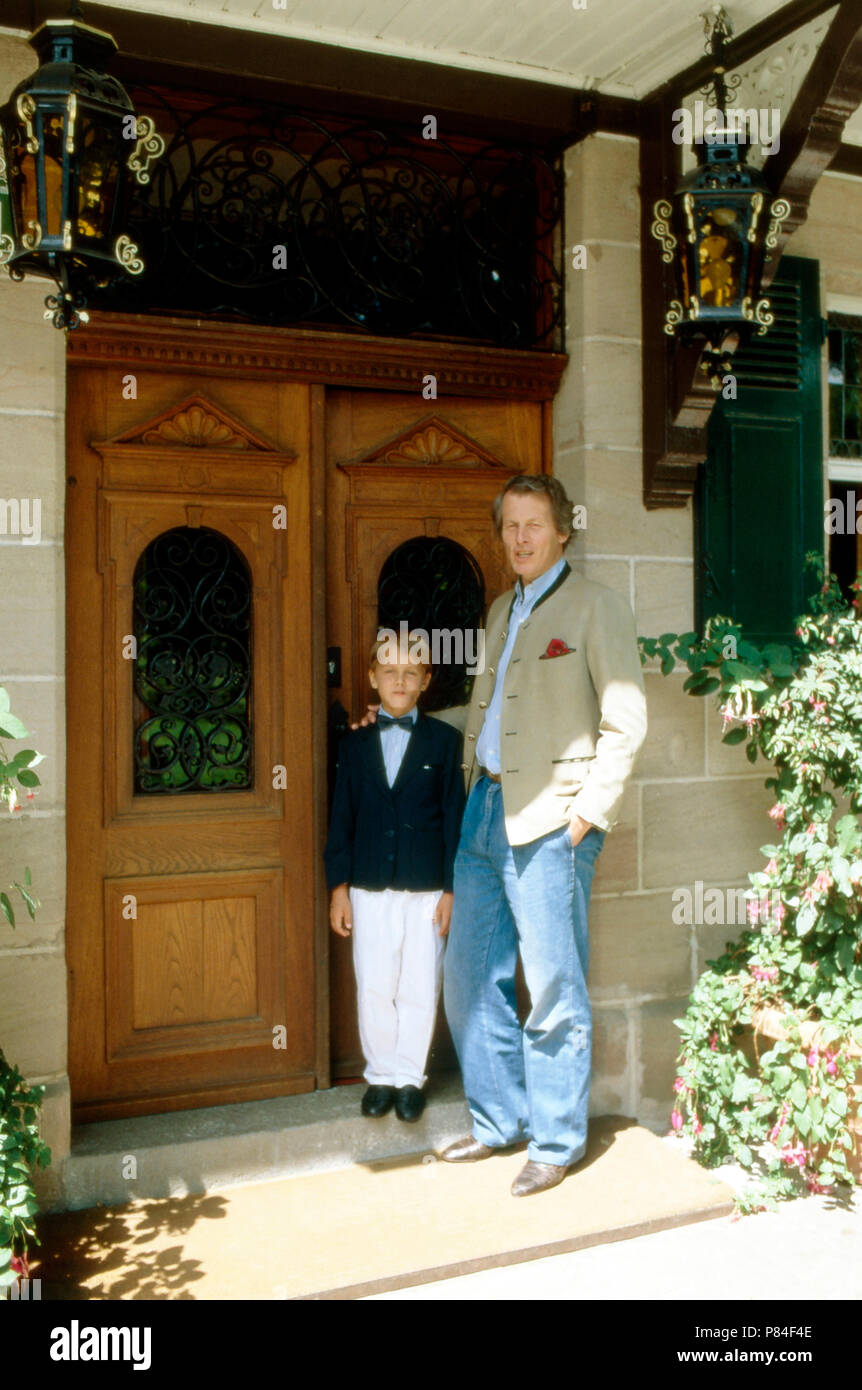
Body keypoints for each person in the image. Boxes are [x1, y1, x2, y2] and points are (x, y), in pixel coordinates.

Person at [440, 474, 647, 1195]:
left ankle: (555, 1142)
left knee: (553, 987)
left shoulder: (596, 607)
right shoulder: (501, 609)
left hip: (552, 822)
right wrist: (390, 718)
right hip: (483, 815)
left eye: (534, 525)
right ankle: (500, 1122)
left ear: (563, 529)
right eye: (510, 527)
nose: (520, 538)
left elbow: (627, 721)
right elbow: (489, 711)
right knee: (467, 978)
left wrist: (585, 815)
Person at [325, 633, 466, 1123]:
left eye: (411, 672)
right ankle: (380, 1075)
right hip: (368, 886)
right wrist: (338, 888)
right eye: (389, 671)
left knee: (420, 984)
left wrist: (451, 889)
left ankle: (410, 1077)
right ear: (372, 678)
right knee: (376, 982)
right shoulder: (354, 744)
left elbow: (454, 819)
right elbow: (340, 816)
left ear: (426, 681)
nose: (399, 681)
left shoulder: (445, 742)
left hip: (425, 887)